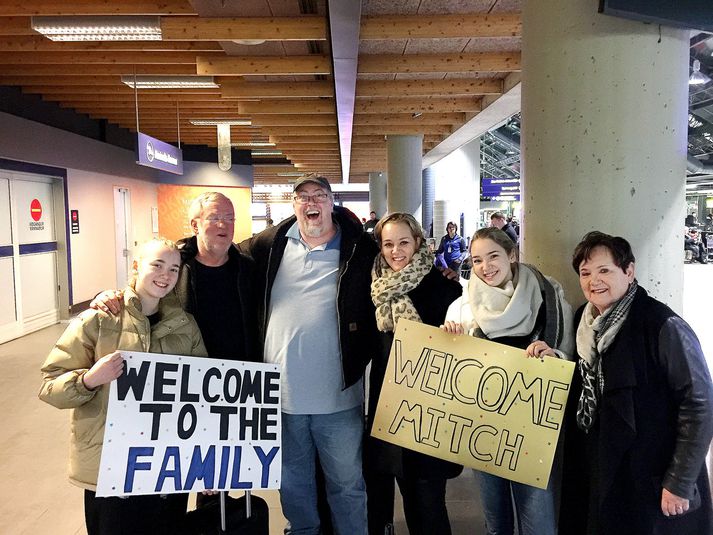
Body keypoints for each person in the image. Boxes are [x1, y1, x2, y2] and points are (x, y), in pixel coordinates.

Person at [239, 174, 378, 535]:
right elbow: (220, 255)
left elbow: (400, 268)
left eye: (319, 195)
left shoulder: (358, 248)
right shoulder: (270, 245)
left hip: (339, 396)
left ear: (331, 202)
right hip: (281, 397)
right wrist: (183, 251)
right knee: (293, 483)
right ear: (295, 204)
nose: (311, 202)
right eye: (303, 196)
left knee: (347, 485)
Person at [39, 238, 207, 535]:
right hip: (110, 467)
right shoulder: (99, 320)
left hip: (167, 469)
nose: (165, 276)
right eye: (157, 265)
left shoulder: (185, 324)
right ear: (136, 266)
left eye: (174, 269)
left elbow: (203, 400)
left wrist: (206, 464)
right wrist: (89, 379)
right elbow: (50, 385)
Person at [552, 231, 713, 535]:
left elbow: (699, 404)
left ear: (629, 271)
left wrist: (680, 481)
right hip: (602, 466)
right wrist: (553, 357)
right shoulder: (583, 323)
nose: (593, 281)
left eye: (604, 270)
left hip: (651, 472)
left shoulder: (661, 324)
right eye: (585, 273)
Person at [442, 227, 574, 535]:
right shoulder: (462, 308)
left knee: (538, 521)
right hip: (483, 429)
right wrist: (450, 339)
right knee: (496, 521)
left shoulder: (547, 296)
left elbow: (568, 354)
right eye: (476, 260)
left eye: (493, 256)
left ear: (511, 255)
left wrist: (553, 354)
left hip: (533, 431)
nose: (485, 267)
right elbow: (451, 372)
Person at [365, 213, 463, 535]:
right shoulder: (375, 290)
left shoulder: (444, 289)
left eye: (404, 242)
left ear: (418, 243)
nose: (396, 251)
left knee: (428, 501)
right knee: (397, 493)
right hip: (389, 409)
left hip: (430, 412)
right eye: (388, 243)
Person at [91, 192, 260, 362]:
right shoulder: (174, 267)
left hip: (242, 373)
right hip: (185, 371)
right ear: (195, 226)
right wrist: (107, 296)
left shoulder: (250, 269)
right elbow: (141, 292)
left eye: (230, 218)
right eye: (214, 218)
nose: (223, 225)